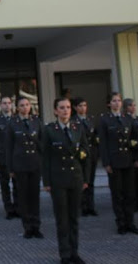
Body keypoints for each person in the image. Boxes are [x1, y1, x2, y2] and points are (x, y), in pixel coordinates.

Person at [43, 97, 89, 264]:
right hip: (58, 180)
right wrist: (47, 182)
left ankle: (75, 252)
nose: (65, 110)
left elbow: (85, 152)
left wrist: (85, 178)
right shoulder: (49, 130)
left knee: (74, 217)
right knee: (62, 219)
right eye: (62, 108)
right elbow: (45, 158)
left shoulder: (78, 128)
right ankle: (65, 254)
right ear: (56, 111)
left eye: (68, 107)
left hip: (75, 177)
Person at [98, 92, 138, 235]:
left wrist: (137, 158)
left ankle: (131, 222)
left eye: (119, 100)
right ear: (108, 104)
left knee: (130, 193)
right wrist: (106, 162)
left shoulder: (127, 118)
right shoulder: (105, 120)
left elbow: (136, 139)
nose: (117, 103)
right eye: (114, 101)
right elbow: (103, 143)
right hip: (114, 161)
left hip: (128, 159)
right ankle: (121, 223)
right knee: (117, 193)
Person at [6, 96, 43, 239]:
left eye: (27, 104)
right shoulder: (12, 124)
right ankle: (27, 227)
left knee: (35, 197)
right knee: (23, 197)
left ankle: (36, 226)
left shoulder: (36, 122)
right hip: (20, 165)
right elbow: (9, 147)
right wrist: (10, 169)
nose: (25, 107)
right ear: (17, 108)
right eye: (22, 105)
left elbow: (41, 145)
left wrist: (43, 163)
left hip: (34, 164)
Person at [0, 96, 18, 219]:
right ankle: (9, 210)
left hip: (16, 157)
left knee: (17, 185)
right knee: (5, 185)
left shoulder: (17, 119)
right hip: (3, 158)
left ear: (12, 105)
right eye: (4, 103)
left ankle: (18, 208)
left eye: (8, 103)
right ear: (0, 105)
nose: (7, 105)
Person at [71, 97, 99, 216]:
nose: (83, 108)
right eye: (80, 105)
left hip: (90, 153)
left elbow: (95, 136)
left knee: (90, 180)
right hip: (78, 154)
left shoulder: (90, 119)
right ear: (75, 108)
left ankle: (90, 206)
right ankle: (81, 206)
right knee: (80, 181)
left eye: (85, 105)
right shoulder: (72, 121)